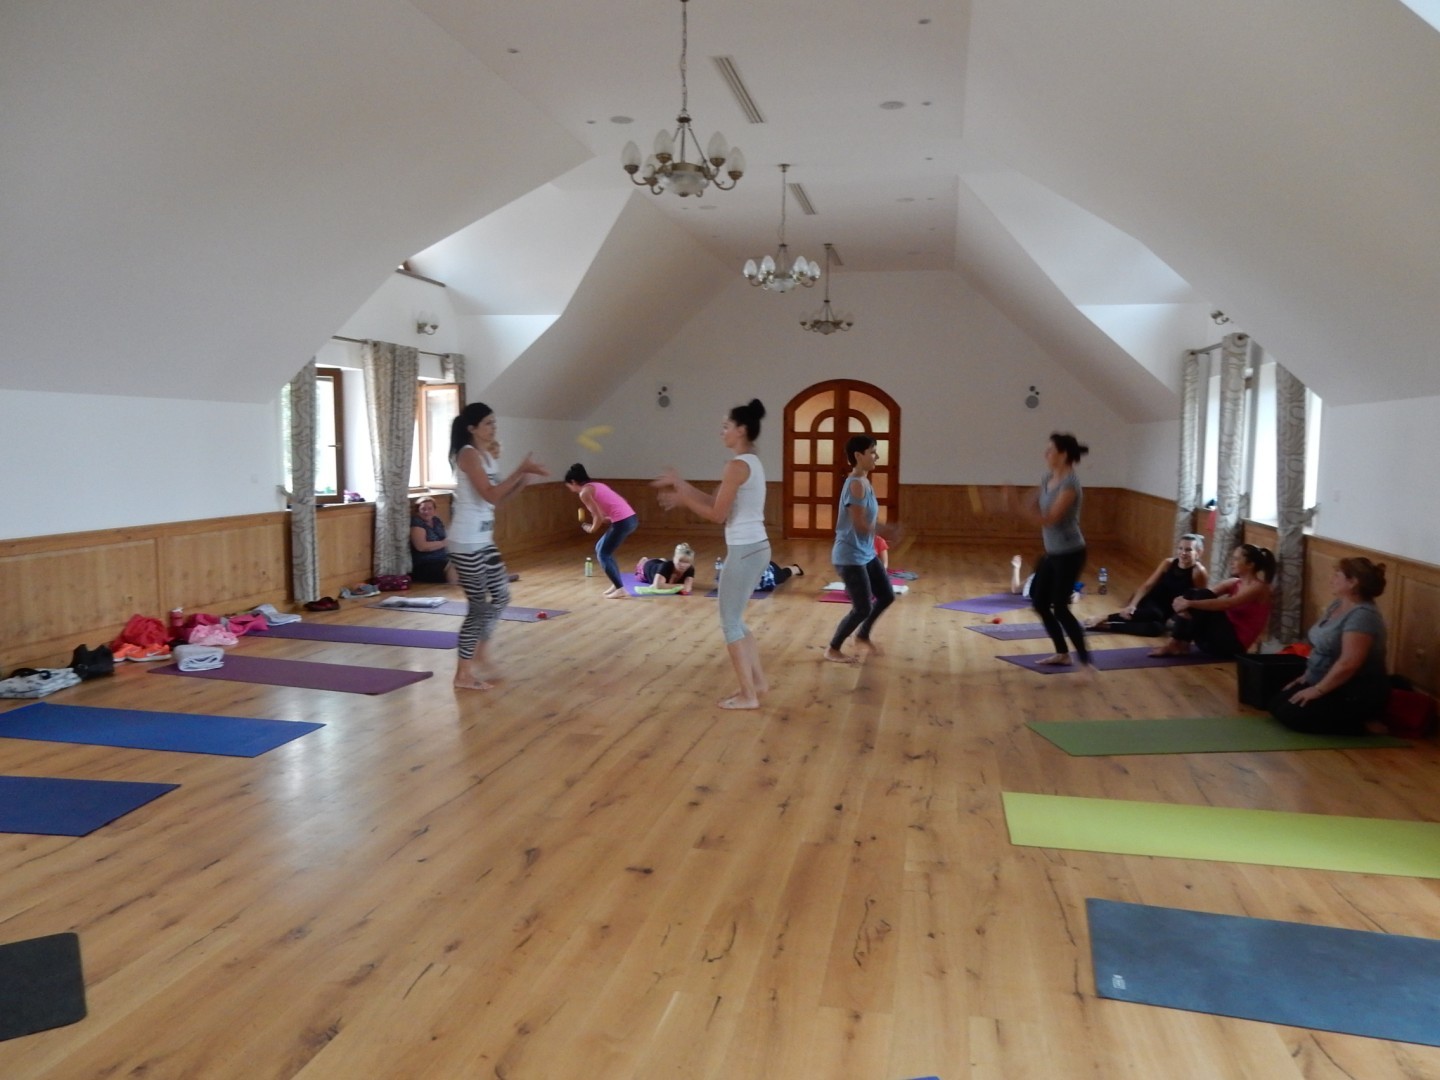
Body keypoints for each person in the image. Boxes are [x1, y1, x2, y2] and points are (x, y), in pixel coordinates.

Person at [654, 398, 770, 710]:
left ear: (740, 430)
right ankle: (757, 683)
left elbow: (717, 515)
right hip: (757, 547)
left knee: (730, 622)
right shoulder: (750, 463)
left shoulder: (736, 466)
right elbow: (712, 501)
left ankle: (748, 695)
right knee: (736, 619)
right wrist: (680, 485)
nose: (721, 432)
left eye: (725, 426)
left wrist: (682, 498)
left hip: (744, 551)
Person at [447, 403, 549, 691]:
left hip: (483, 540)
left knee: (501, 595)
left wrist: (523, 482)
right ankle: (463, 674)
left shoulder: (488, 458)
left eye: (494, 423)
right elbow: (490, 495)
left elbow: (498, 501)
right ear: (472, 428)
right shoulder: (467, 455)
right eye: (488, 423)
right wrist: (519, 470)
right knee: (478, 607)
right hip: (466, 541)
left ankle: (481, 652)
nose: (494, 428)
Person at [1269, 558, 1389, 734]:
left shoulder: (1363, 616)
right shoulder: (1337, 604)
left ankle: (1364, 726)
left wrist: (1318, 690)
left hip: (1353, 690)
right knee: (1275, 704)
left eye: (1337, 575)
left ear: (1353, 582)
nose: (1332, 579)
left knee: (1292, 715)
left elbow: (1349, 663)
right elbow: (1321, 645)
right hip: (1324, 680)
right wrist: (1307, 676)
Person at [1010, 433, 1092, 670]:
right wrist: (1015, 503)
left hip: (1070, 553)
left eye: (1050, 450)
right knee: (1040, 602)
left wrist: (1016, 507)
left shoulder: (1070, 485)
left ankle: (1086, 662)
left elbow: (1050, 519)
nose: (1045, 454)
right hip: (1052, 553)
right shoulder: (1047, 477)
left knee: (1061, 608)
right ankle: (1062, 654)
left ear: (1063, 455)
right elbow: (1031, 503)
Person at [825, 435, 897, 663]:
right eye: (872, 452)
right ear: (858, 456)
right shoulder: (855, 484)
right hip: (850, 556)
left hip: (865, 553)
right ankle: (833, 649)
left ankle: (862, 635)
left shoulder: (864, 482)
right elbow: (860, 524)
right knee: (862, 608)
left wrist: (882, 530)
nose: (877, 456)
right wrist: (885, 529)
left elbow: (866, 525)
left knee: (886, 595)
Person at [1150, 543, 1275, 658]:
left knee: (1199, 597)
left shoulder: (1259, 588)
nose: (1231, 562)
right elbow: (1203, 594)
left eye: (1236, 559)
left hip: (1232, 646)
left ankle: (1176, 644)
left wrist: (1189, 604)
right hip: (1213, 640)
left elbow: (1227, 604)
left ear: (1250, 564)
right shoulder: (1234, 583)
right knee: (1194, 593)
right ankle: (1179, 644)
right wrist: (1183, 600)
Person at [1085, 533, 1209, 635]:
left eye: (1188, 550)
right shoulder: (1168, 563)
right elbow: (1147, 586)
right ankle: (1105, 617)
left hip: (1169, 610)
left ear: (1198, 552)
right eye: (1180, 548)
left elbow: (1199, 599)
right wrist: (1132, 605)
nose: (1183, 553)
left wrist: (1179, 617)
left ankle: (1107, 627)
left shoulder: (1199, 572)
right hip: (1151, 601)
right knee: (1153, 614)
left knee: (1156, 629)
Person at [565, 464, 640, 598]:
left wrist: (591, 529)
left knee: (603, 553)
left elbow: (597, 517)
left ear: (573, 482)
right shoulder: (598, 485)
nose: (570, 489)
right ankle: (617, 583)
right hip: (632, 518)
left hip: (623, 522)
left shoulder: (584, 493)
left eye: (569, 486)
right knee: (601, 548)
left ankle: (620, 588)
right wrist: (608, 517)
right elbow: (621, 502)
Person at [409, 496, 455, 584]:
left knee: (461, 563)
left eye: (430, 509)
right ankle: (452, 588)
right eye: (423, 509)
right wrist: (443, 543)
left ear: (434, 510)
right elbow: (421, 546)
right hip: (426, 563)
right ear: (418, 511)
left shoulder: (436, 520)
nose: (426, 512)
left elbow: (445, 537)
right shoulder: (416, 523)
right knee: (453, 568)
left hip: (442, 558)